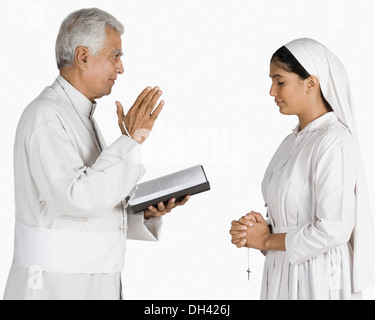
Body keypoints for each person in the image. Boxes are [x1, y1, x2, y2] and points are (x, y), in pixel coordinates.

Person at [3, 8, 189, 300]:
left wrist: (144, 212)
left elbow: (95, 202)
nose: (121, 68)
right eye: (115, 55)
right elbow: (75, 198)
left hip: (90, 282)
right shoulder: (45, 115)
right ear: (83, 57)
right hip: (55, 287)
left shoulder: (79, 115)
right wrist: (129, 141)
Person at [230, 38, 375, 300]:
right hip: (283, 271)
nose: (272, 91)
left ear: (311, 82)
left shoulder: (334, 142)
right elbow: (295, 215)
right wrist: (258, 228)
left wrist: (265, 241)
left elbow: (333, 228)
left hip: (320, 278)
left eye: (280, 81)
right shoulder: (292, 141)